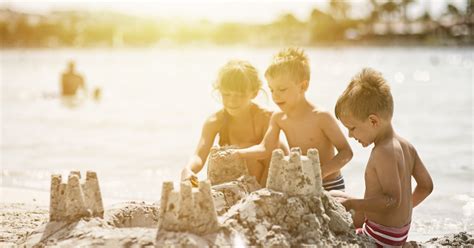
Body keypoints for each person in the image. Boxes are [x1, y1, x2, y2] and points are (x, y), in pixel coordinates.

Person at [331, 68, 434, 247]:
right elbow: (426, 186)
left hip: (378, 238)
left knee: (334, 205)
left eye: (352, 128)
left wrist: (353, 203)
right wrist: (405, 210)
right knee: (334, 194)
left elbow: (391, 201)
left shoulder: (383, 151)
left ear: (373, 121)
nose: (349, 135)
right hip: (395, 236)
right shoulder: (406, 145)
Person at [232, 47, 353, 191]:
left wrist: (320, 174)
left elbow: (346, 152)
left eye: (282, 89)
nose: (275, 95)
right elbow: (265, 148)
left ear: (303, 86)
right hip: (301, 184)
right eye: (271, 90)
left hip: (329, 184)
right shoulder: (278, 118)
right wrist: (238, 153)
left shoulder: (321, 117)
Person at [181, 60, 287, 186]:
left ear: (254, 93)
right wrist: (188, 169)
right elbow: (199, 156)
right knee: (218, 156)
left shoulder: (266, 118)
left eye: (240, 95)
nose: (232, 101)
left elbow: (273, 156)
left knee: (250, 149)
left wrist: (264, 192)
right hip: (241, 180)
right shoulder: (215, 121)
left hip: (275, 175)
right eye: (226, 94)